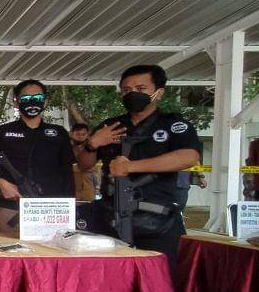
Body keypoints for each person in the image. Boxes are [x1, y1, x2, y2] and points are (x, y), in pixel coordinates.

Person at [77, 65, 200, 275]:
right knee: (107, 279)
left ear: (159, 92)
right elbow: (84, 164)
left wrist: (131, 167)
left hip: (157, 220)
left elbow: (189, 157)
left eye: (141, 88)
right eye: (126, 90)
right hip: (111, 218)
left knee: (159, 280)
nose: (132, 93)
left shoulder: (173, 125)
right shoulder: (110, 126)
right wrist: (92, 144)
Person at [0, 80, 75, 235]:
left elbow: (68, 172)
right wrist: (1, 183)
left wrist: (69, 206)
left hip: (52, 209)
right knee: (9, 248)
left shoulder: (58, 133)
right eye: (26, 98)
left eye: (38, 98)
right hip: (11, 206)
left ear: (45, 102)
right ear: (16, 102)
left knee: (51, 249)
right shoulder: (3, 132)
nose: (32, 102)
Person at [70, 122, 98, 201]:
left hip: (88, 183)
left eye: (83, 134)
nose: (81, 136)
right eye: (77, 134)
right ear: (72, 134)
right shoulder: (66, 147)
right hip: (71, 184)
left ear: (87, 135)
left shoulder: (92, 148)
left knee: (89, 204)